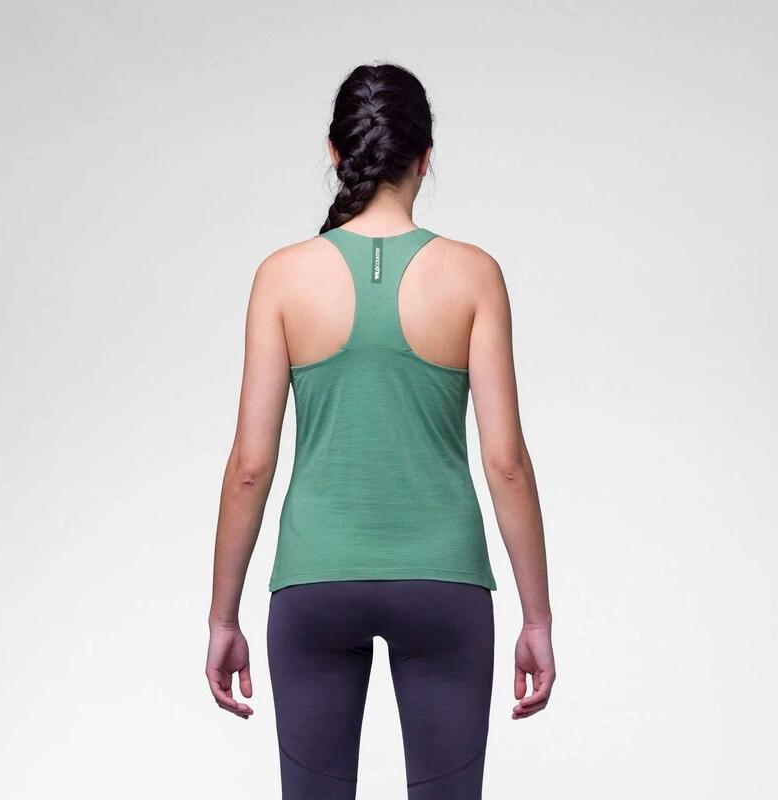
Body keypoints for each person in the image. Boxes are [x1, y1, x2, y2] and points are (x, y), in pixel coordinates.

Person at [205, 62, 555, 799]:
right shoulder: (473, 274)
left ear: (336, 153)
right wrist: (537, 618)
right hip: (444, 584)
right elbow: (507, 463)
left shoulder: (281, 276)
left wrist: (222, 617)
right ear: (426, 157)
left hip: (314, 582)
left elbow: (249, 467)